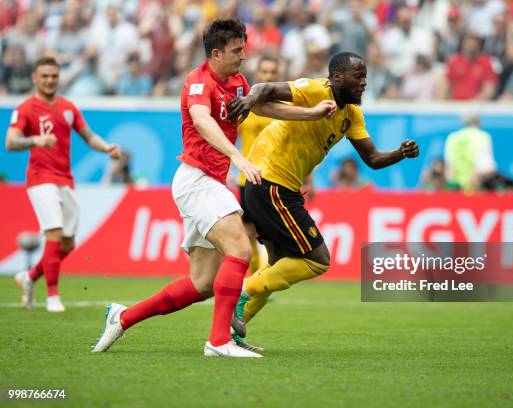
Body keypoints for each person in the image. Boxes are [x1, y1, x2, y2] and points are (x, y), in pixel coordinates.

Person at [91, 19, 336, 358]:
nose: (244, 56)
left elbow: (261, 106)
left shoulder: (236, 81)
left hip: (210, 183)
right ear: (216, 53)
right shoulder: (197, 82)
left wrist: (310, 114)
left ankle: (123, 317)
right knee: (241, 249)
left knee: (202, 284)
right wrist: (238, 157)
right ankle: (219, 341)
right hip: (196, 180)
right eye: (237, 51)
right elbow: (203, 121)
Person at [227, 51, 420, 350]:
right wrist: (249, 101)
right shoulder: (315, 89)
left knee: (279, 265)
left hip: (273, 185)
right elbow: (264, 89)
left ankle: (231, 335)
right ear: (337, 78)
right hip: (272, 182)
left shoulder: (352, 114)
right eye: (359, 77)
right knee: (318, 261)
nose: (364, 83)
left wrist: (400, 152)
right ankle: (244, 291)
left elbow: (372, 158)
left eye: (365, 77)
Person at [6, 56, 121, 312]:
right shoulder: (25, 108)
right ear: (35, 78)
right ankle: (53, 296)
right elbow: (11, 142)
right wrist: (35, 140)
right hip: (40, 178)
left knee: (66, 244)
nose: (49, 80)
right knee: (54, 233)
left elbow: (88, 136)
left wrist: (107, 147)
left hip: (64, 179)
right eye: (44, 76)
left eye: (54, 76)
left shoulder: (68, 108)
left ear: (59, 78)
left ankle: (29, 276)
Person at [237, 56, 279, 276]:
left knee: (270, 233)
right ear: (257, 74)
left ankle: (266, 274)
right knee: (248, 231)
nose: (268, 76)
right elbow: (228, 136)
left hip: (275, 178)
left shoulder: (285, 106)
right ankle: (255, 275)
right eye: (264, 71)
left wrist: (308, 177)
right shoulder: (246, 104)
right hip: (247, 179)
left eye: (272, 72)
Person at [444, 115, 497, 192]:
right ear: (479, 122)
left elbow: (449, 169)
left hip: (455, 188)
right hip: (475, 188)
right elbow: (486, 167)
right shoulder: (483, 137)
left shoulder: (452, 137)